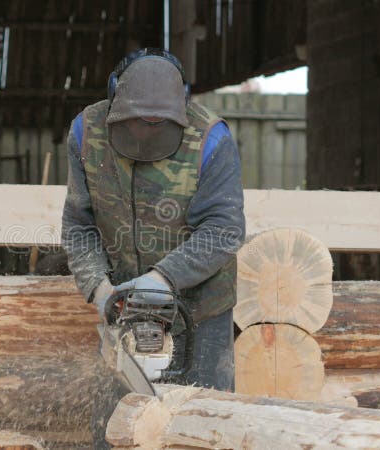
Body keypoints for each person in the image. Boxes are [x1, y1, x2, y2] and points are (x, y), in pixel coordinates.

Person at [61, 48, 245, 447]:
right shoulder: (85, 132)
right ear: (115, 102)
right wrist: (99, 288)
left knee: (206, 428)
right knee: (115, 429)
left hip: (202, 309)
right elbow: (79, 224)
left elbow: (224, 228)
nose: (146, 132)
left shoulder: (211, 139)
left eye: (157, 125)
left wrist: (164, 278)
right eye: (136, 123)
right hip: (125, 305)